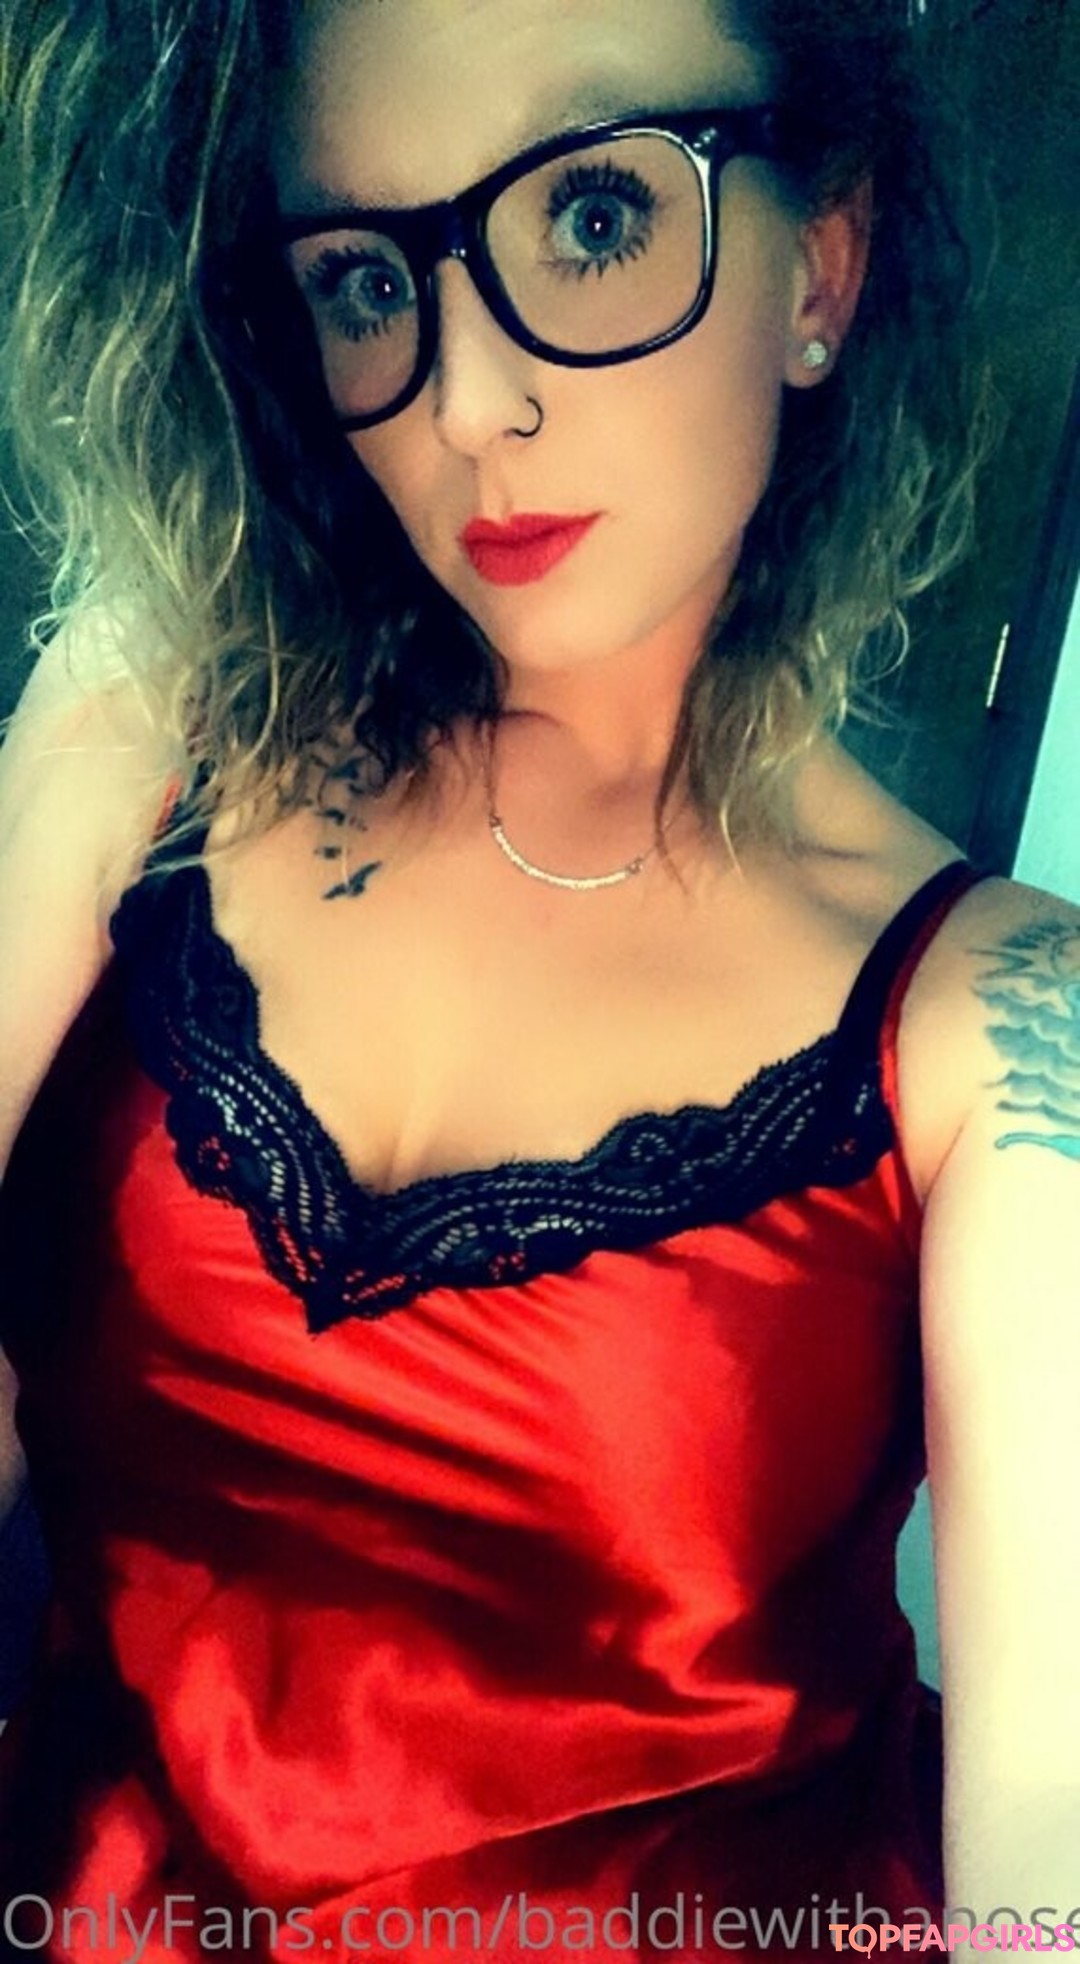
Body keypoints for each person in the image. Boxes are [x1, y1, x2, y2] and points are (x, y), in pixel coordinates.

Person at [1, 0, 1078, 1958]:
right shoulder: (158, 733)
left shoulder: (996, 1026)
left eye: (592, 215)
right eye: (365, 278)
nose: (467, 402)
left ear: (823, 266)